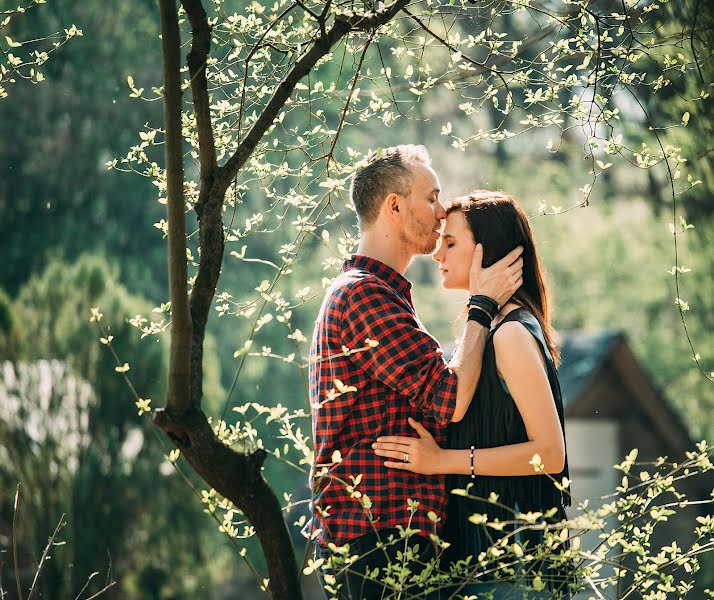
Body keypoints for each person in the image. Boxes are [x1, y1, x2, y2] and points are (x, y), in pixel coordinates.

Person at [307, 147, 524, 600]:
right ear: (394, 206)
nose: (442, 211)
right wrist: (481, 305)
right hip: (378, 545)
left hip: (389, 543)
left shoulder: (382, 295)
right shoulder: (363, 296)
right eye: (432, 197)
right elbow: (450, 399)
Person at [372, 191, 573, 598]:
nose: (437, 254)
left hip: (515, 555)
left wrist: (442, 461)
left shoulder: (512, 334)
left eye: (451, 242)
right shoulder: (489, 331)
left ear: (491, 252)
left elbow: (550, 453)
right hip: (486, 556)